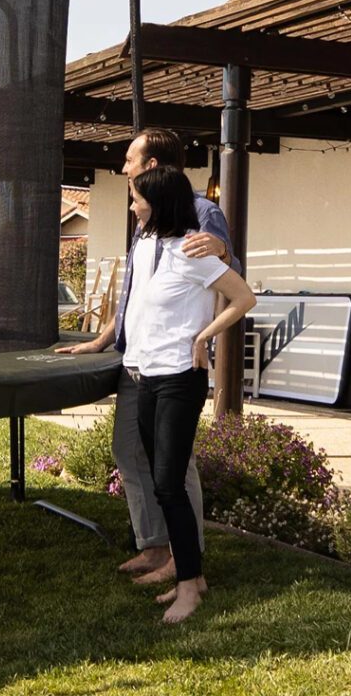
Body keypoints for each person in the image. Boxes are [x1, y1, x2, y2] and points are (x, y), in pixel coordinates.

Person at [57, 128, 238, 584]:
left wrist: (221, 248)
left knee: (175, 464)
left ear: (152, 165)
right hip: (136, 358)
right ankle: (155, 545)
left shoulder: (201, 211)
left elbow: (226, 271)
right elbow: (138, 292)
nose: (122, 168)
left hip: (174, 363)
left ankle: (185, 557)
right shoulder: (144, 219)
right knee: (130, 452)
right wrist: (103, 340)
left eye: (129, 159)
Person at [126, 166, 255, 622]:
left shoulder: (192, 251)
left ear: (158, 203)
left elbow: (243, 298)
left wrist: (204, 337)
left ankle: (189, 590)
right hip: (147, 376)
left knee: (168, 483)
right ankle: (194, 576)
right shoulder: (145, 246)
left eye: (138, 198)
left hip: (182, 377)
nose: (132, 205)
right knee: (163, 485)